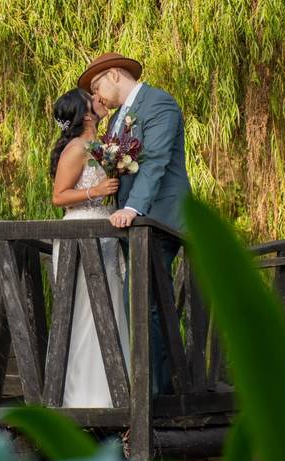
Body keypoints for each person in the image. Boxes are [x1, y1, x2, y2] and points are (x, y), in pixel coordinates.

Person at [79, 52, 191, 395]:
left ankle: (153, 395)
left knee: (143, 302)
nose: (97, 97)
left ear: (114, 75)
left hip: (158, 218)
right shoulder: (116, 122)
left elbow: (155, 160)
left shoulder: (159, 104)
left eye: (98, 86)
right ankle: (161, 389)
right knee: (147, 302)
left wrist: (133, 208)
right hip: (133, 224)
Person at [49, 88, 131, 407]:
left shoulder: (100, 145)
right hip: (81, 234)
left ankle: (113, 393)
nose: (99, 97)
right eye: (92, 97)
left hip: (104, 233)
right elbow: (58, 196)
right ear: (85, 114)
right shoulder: (77, 147)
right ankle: (84, 398)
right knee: (84, 314)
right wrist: (95, 191)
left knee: (108, 308)